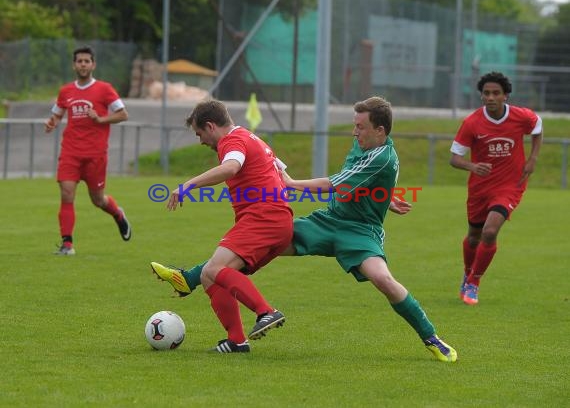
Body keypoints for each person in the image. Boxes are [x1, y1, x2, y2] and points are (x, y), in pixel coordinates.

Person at [153, 96, 457, 362]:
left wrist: (292, 184)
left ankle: (431, 337)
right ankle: (194, 284)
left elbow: (333, 183)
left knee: (383, 279)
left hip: (361, 232)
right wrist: (386, 195)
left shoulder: (383, 156)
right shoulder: (363, 145)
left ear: (380, 130)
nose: (354, 132)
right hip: (327, 222)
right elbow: (359, 177)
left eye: (360, 127)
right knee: (242, 254)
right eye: (354, 125)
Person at [151, 99, 292, 353]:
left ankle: (266, 312)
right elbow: (285, 177)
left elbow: (231, 167)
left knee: (215, 268)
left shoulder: (232, 141)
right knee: (209, 275)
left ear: (210, 126)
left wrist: (189, 185)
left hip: (263, 218)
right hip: (277, 221)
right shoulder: (253, 138)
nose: (201, 141)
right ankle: (236, 341)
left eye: (199, 134)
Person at [450, 71, 543, 305]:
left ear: (505, 96)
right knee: (473, 237)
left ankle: (474, 282)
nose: (490, 97)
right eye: (486, 93)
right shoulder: (472, 122)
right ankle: (468, 272)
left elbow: (537, 126)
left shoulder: (520, 117)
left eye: (496, 93)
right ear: (481, 96)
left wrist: (532, 159)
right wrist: (473, 165)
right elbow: (454, 158)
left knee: (490, 232)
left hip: (510, 185)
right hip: (480, 188)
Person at [44, 45, 132, 255]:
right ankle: (67, 244)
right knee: (66, 194)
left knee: (98, 200)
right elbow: (57, 114)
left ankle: (118, 214)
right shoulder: (66, 91)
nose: (83, 64)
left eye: (87, 61)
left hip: (95, 154)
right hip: (70, 152)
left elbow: (123, 114)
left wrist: (100, 118)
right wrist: (52, 122)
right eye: (79, 61)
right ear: (74, 65)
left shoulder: (104, 89)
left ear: (93, 64)